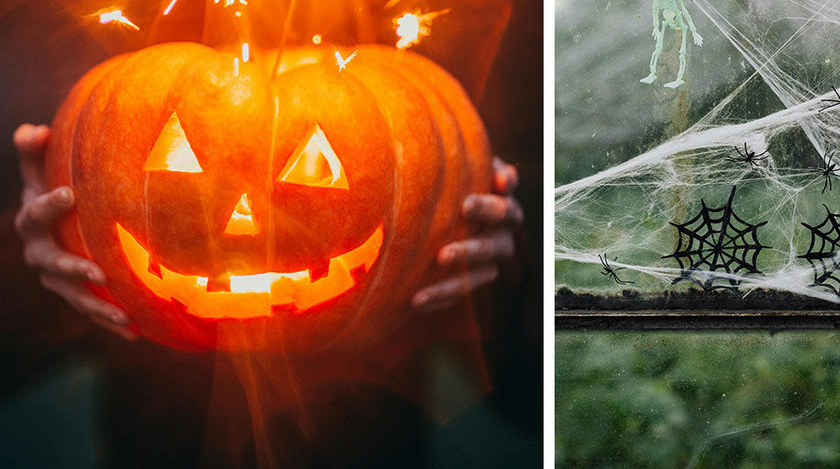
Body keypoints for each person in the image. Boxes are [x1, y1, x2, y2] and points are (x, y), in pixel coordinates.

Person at [11, 120, 526, 467]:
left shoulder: (441, 68)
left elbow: (527, 403)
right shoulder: (85, 44)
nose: (244, 223)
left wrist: (502, 274)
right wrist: (43, 247)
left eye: (313, 165)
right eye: (179, 157)